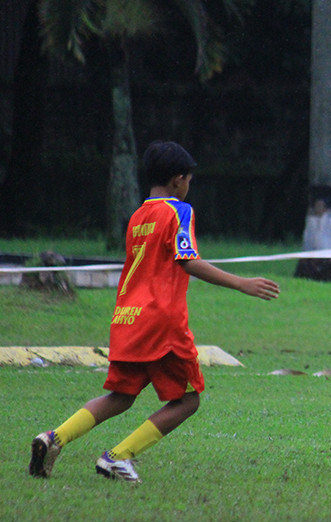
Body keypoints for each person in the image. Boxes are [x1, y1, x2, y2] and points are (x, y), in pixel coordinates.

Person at [28, 140, 280, 484]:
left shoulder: (137, 216)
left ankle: (53, 438)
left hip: (127, 318)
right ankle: (118, 457)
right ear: (178, 180)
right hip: (162, 322)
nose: (189, 186)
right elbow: (187, 259)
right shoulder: (179, 211)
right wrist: (241, 283)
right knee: (188, 400)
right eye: (189, 180)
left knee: (121, 396)